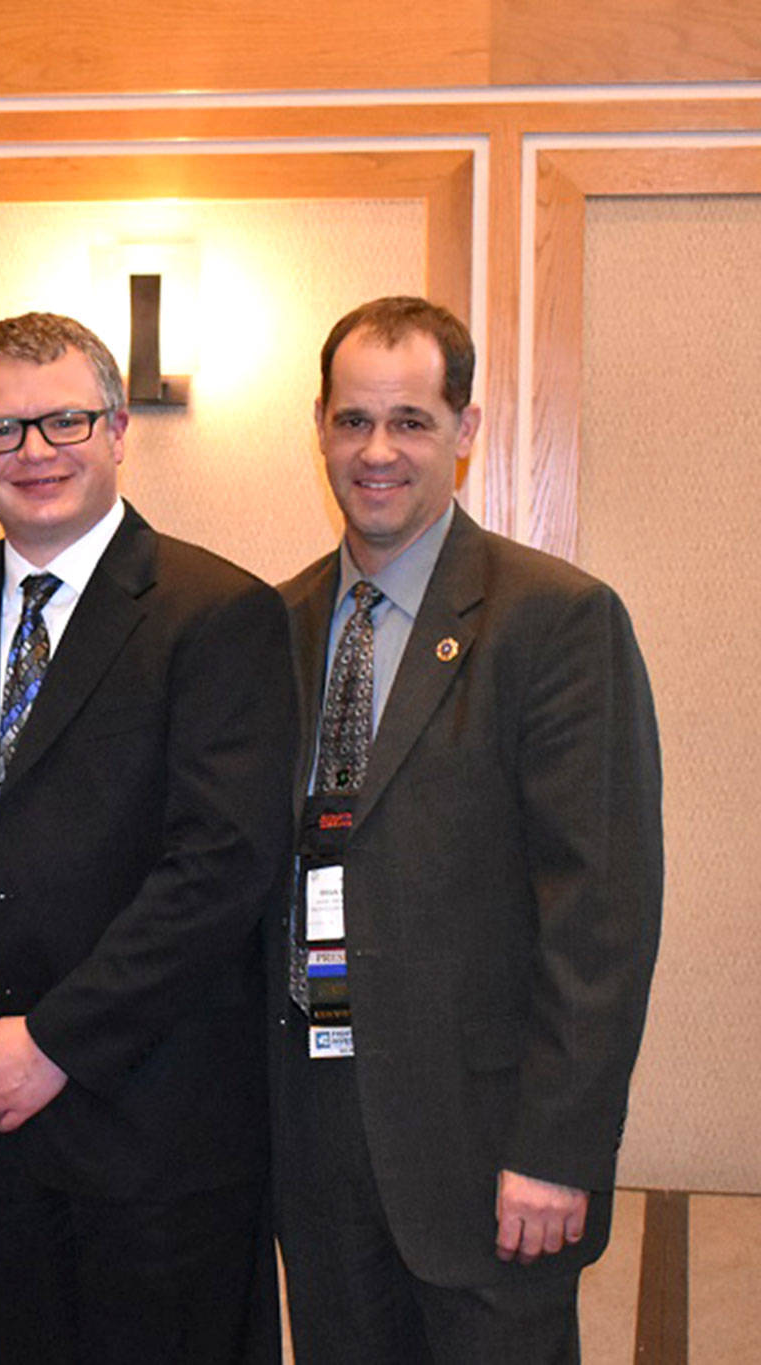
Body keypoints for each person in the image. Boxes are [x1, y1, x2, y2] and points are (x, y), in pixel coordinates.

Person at [0, 311, 291, 1362]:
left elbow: (219, 868)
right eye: (0, 431)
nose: (34, 453)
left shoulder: (214, 610)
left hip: (161, 1116)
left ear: (115, 429)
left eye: (63, 421)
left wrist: (53, 1044)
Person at [271, 296, 661, 1363]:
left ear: (467, 431)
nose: (377, 451)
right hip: (316, 1129)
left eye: (410, 421)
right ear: (318, 428)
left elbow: (601, 915)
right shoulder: (275, 625)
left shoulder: (554, 620)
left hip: (487, 1149)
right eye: (353, 421)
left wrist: (557, 1149)